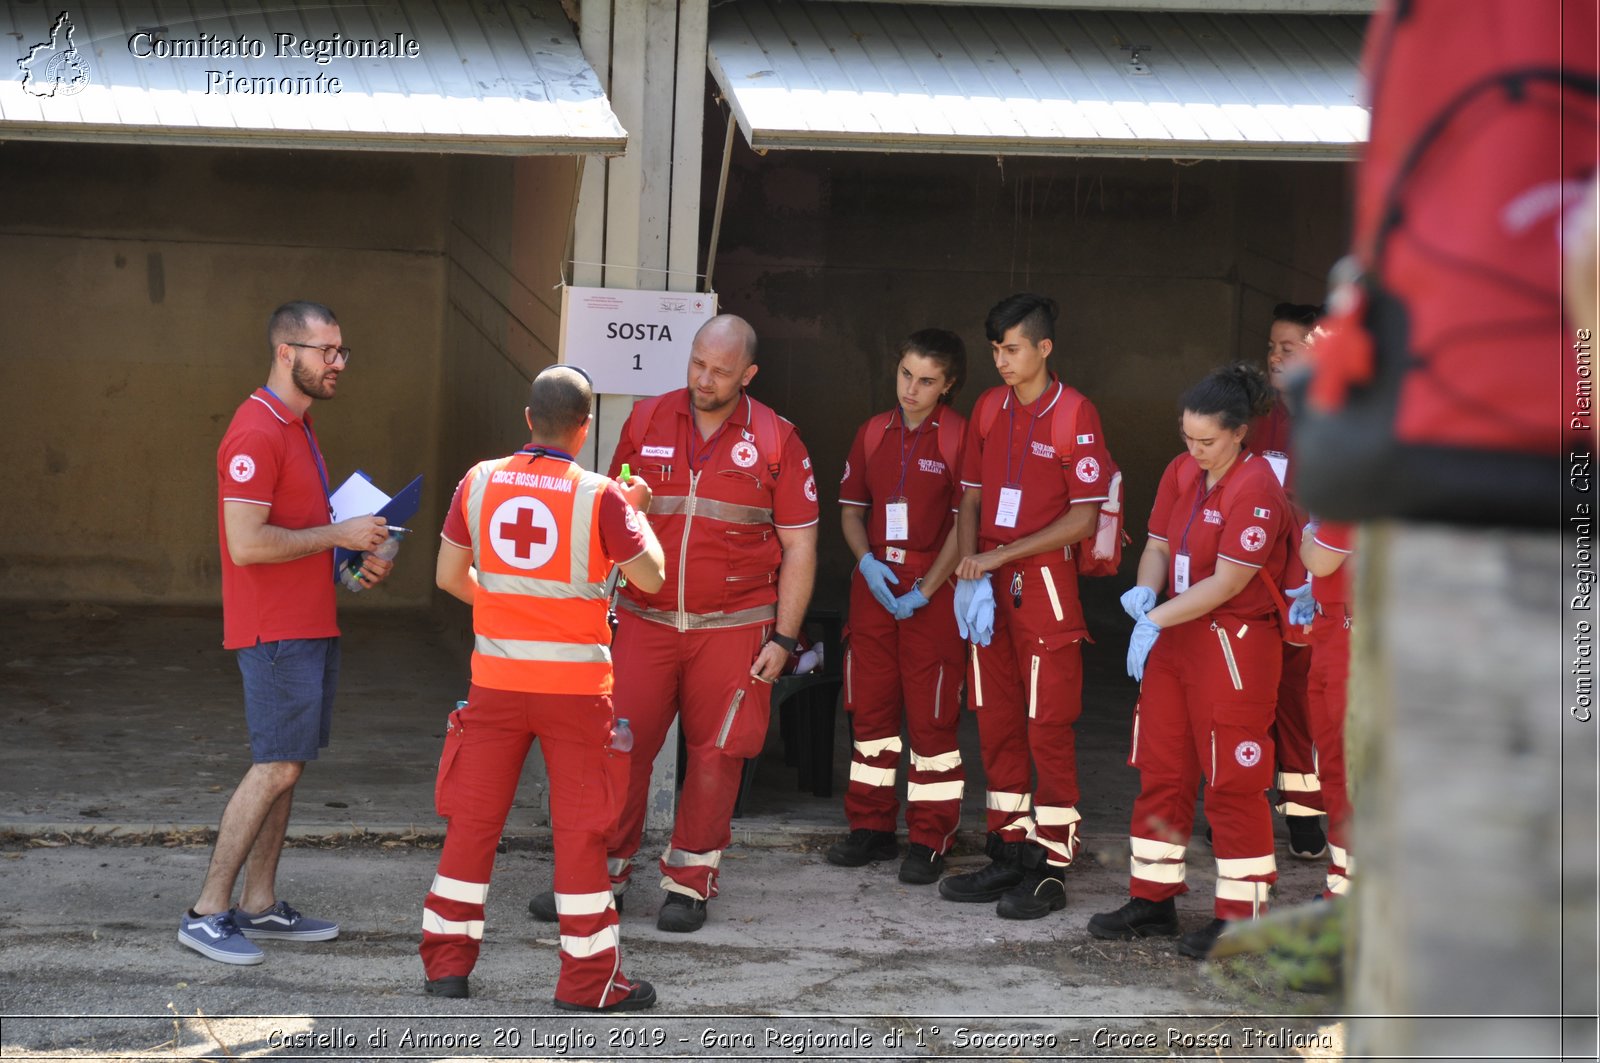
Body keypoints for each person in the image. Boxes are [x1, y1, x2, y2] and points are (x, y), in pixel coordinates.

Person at [527, 314, 818, 933]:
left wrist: (785, 639)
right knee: (617, 750)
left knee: (717, 756)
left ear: (749, 374)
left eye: (719, 370)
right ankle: (598, 878)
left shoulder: (777, 439)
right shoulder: (648, 418)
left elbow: (800, 547)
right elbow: (610, 517)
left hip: (735, 628)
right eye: (696, 363)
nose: (703, 379)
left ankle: (689, 882)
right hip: (644, 619)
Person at [420, 365, 665, 1010]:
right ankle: (588, 984)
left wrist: (505, 609)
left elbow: (450, 575)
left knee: (472, 826)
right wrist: (637, 515)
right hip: (576, 695)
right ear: (584, 430)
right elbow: (653, 578)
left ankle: (446, 969)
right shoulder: (600, 497)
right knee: (581, 834)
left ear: (529, 418)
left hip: (495, 686)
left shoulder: (479, 481)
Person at [179, 301, 395, 965]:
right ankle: (208, 910)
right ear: (284, 352)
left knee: (288, 765)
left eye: (341, 351)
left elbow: (300, 538)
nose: (337, 363)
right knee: (274, 763)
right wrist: (339, 533)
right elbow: (246, 544)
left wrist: (357, 564)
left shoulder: (298, 428)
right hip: (274, 631)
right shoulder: (256, 432)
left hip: (308, 621)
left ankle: (260, 902)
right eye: (324, 351)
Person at [1088, 364, 1294, 959]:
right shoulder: (1184, 471)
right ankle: (1152, 899)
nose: (1194, 450)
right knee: (1162, 770)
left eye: (1207, 441)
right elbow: (1155, 543)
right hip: (1176, 638)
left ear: (1239, 433)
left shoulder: (1257, 488)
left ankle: (1242, 916)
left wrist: (1155, 618)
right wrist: (1147, 593)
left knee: (1233, 781)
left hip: (1232, 645)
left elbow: (1231, 581)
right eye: (1187, 438)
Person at [938, 293, 1117, 919]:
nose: (1002, 361)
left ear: (1044, 347)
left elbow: (1083, 517)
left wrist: (998, 556)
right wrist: (969, 570)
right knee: (997, 722)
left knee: (1049, 727)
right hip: (989, 585)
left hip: (1041, 584)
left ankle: (1050, 865)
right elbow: (969, 499)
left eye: (1011, 348)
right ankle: (1008, 850)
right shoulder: (989, 408)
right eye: (995, 350)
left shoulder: (1075, 414)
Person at [827, 329, 969, 884]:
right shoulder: (871, 434)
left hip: (932, 590)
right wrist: (865, 561)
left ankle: (931, 837)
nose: (911, 389)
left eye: (927, 380)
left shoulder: (959, 438)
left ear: (949, 385)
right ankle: (871, 827)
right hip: (875, 588)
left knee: (933, 720)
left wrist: (928, 588)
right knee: (871, 714)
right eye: (906, 374)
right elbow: (849, 512)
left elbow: (966, 525)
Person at [1253, 302, 1327, 861]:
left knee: (1299, 700)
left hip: (1306, 583)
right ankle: (1244, 803)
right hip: (1249, 577)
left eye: (1288, 348)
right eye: (1272, 347)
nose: (1275, 356)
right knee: (1248, 694)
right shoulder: (1251, 412)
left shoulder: (1332, 416)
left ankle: (1304, 815)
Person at [1293, 515, 1356, 900]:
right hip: (1332, 628)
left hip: (1356, 638)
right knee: (1333, 769)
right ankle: (1343, 884)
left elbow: (1318, 561)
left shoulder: (1361, 491)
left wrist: (1308, 534)